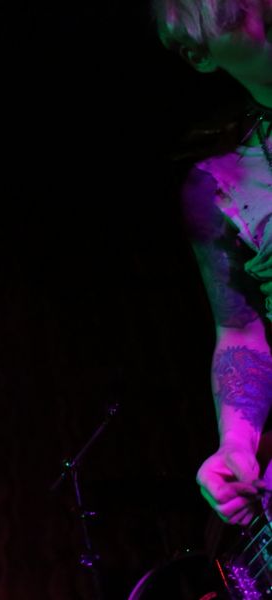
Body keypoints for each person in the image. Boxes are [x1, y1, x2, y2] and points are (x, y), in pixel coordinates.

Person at [154, 0, 272, 526]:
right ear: (197, 53)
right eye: (228, 11)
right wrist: (237, 443)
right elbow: (241, 332)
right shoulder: (219, 185)